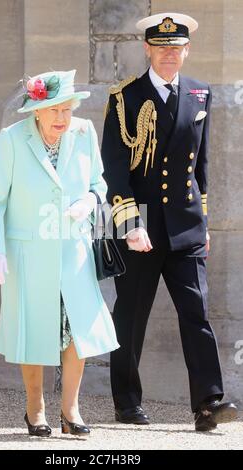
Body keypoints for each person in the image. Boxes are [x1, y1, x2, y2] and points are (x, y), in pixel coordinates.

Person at [101, 12, 238, 432]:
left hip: (186, 226)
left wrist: (205, 223)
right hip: (141, 229)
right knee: (131, 316)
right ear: (147, 49)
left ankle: (208, 403)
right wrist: (130, 224)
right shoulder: (126, 97)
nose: (168, 56)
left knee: (196, 313)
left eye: (176, 49)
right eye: (161, 49)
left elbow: (202, 166)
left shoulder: (200, 92)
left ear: (186, 50)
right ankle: (126, 402)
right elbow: (116, 168)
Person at [0, 69, 119, 437]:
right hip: (28, 254)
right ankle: (35, 407)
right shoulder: (12, 139)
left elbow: (99, 183)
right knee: (33, 328)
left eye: (67, 109)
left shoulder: (84, 133)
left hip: (74, 253)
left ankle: (70, 410)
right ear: (36, 111)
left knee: (78, 331)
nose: (62, 117)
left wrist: (91, 200)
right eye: (54, 110)